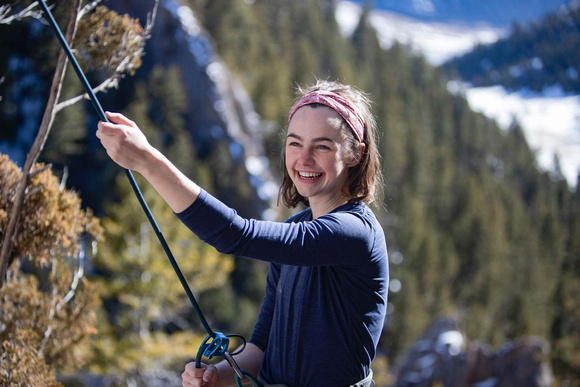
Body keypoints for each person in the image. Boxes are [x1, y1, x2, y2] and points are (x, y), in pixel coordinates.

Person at [96, 80, 389, 387]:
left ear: (356, 154)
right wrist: (216, 374)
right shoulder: (295, 231)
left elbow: (236, 235)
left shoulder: (355, 234)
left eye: (322, 146)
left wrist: (148, 162)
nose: (304, 159)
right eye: (295, 143)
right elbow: (261, 347)